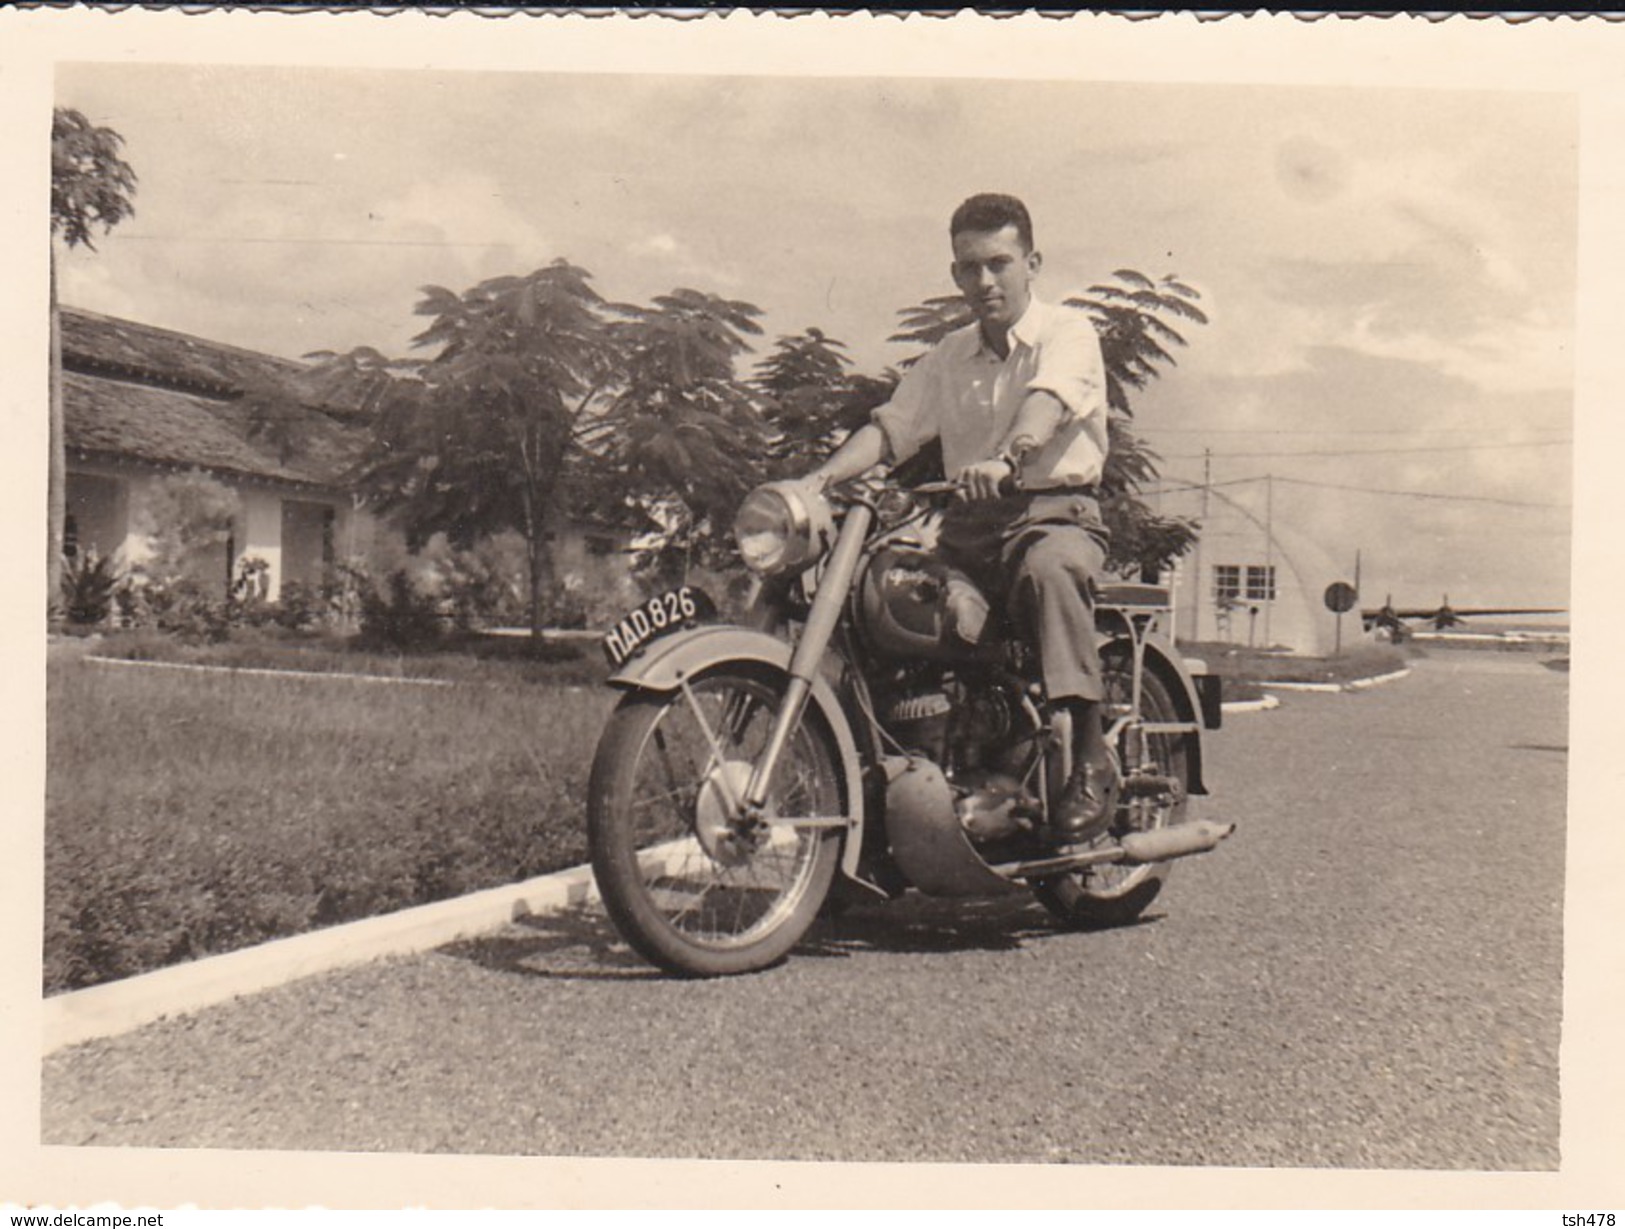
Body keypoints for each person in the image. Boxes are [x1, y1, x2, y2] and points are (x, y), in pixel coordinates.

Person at [807, 192, 1117, 850]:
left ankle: (1090, 755)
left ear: (1031, 263)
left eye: (997, 264)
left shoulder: (1068, 332)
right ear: (954, 274)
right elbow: (891, 429)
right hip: (968, 526)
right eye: (967, 267)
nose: (983, 281)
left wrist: (1007, 456)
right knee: (882, 594)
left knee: (1048, 571)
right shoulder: (949, 354)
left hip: (1052, 512)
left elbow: (1047, 404)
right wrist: (817, 481)